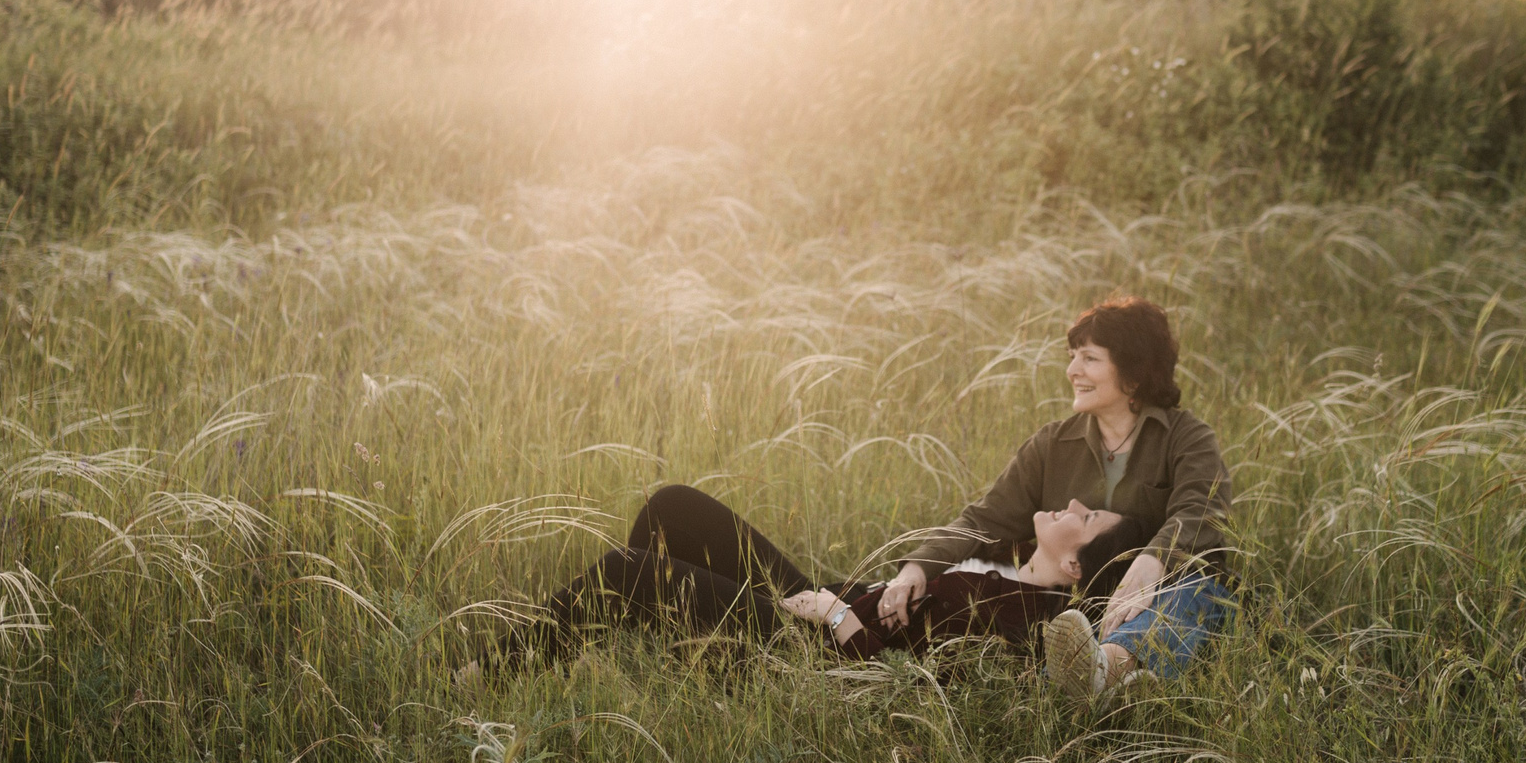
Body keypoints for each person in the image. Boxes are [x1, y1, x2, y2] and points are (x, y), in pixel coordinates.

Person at [878, 297, 1235, 706]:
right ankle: (1112, 689)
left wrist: (1153, 560)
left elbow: (1203, 509)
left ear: (1133, 375)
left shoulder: (1187, 437)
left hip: (1173, 590)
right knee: (1061, 624)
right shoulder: (1052, 443)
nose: (1072, 371)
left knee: (1191, 592)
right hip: (1081, 606)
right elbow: (984, 519)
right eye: (1072, 357)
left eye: (1089, 358)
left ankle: (1101, 674)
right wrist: (917, 566)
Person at [468, 483, 1148, 669]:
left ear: (1074, 565)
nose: (1074, 504)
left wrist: (834, 620)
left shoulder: (1021, 616)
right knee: (671, 506)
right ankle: (686, 655)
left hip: (820, 650)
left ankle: (492, 673)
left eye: (1086, 518)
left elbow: (921, 684)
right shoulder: (999, 567)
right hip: (832, 597)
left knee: (624, 570)